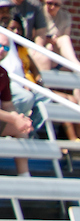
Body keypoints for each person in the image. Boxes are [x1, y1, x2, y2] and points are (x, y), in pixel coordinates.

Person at [0, 33, 33, 179]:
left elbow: (8, 105)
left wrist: (21, 119)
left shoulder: (3, 73)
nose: (2, 50)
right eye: (0, 45)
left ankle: (24, 177)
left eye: (6, 47)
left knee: (21, 130)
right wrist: (14, 118)